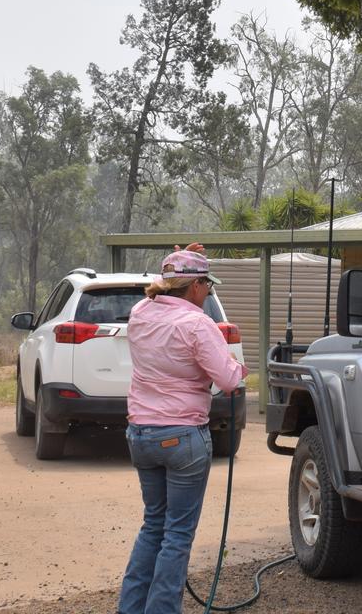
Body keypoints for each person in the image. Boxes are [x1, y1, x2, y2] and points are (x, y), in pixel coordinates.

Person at [118, 244, 246, 614]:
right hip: (182, 437)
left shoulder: (140, 312)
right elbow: (227, 380)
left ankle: (131, 609)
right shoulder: (197, 324)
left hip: (141, 433)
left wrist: (177, 264)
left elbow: (164, 284)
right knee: (176, 536)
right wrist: (240, 372)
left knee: (153, 525)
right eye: (207, 285)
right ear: (194, 287)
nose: (209, 292)